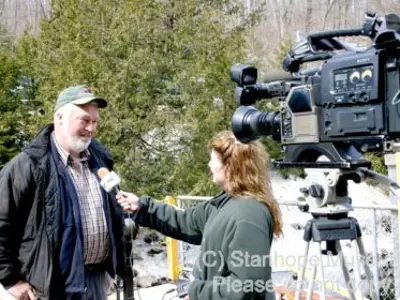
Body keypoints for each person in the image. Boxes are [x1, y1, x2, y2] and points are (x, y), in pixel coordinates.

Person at [117, 130, 283, 300]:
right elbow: (186, 222)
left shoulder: (249, 216)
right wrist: (142, 207)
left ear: (230, 165)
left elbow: (245, 286)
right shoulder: (226, 202)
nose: (209, 165)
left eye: (213, 159)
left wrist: (197, 292)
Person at [0, 86, 126, 300]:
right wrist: (10, 280)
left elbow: (114, 209)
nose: (91, 129)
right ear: (59, 117)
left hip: (96, 282)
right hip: (51, 287)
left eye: (95, 122)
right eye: (84, 121)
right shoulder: (28, 165)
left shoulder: (101, 158)